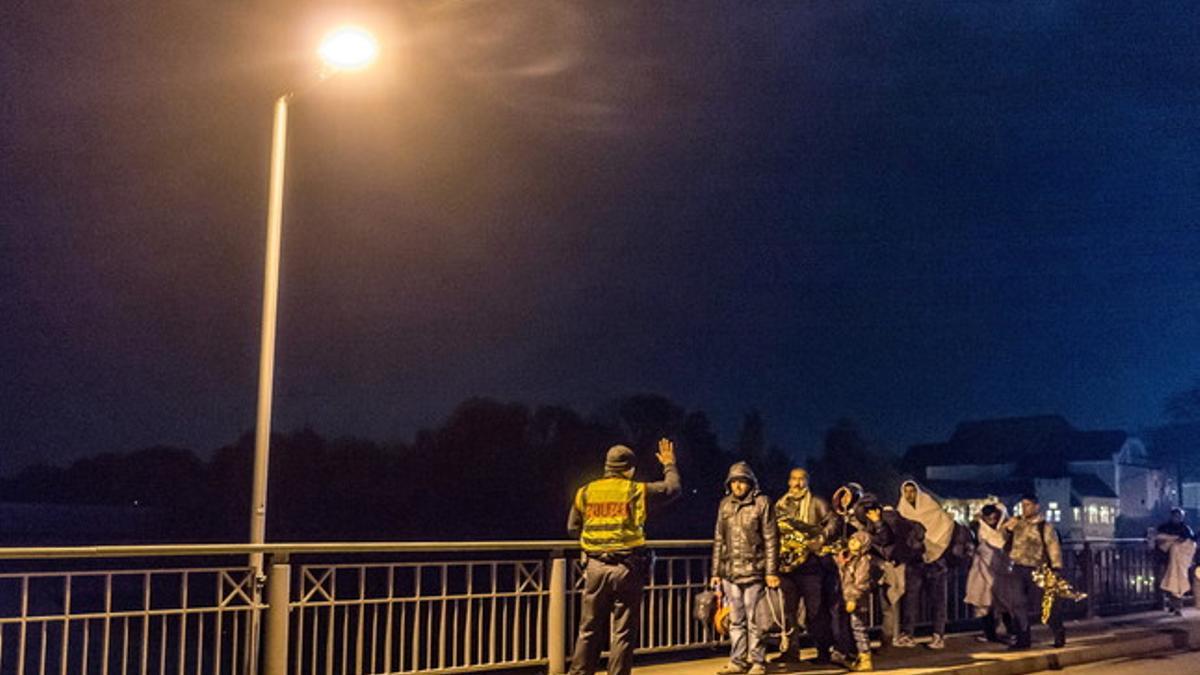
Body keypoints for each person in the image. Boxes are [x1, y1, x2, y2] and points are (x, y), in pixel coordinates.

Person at [566, 439, 681, 675]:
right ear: (629, 469)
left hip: (595, 567)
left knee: (588, 629)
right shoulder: (635, 490)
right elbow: (673, 489)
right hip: (627, 568)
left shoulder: (586, 491)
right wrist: (669, 464)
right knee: (623, 631)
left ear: (607, 467)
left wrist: (591, 544)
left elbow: (572, 527)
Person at [711, 462, 780, 675]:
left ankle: (758, 661)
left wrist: (770, 571)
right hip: (730, 572)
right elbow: (719, 539)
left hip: (754, 570)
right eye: (734, 482)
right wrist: (715, 572)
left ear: (750, 483)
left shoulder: (762, 503)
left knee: (755, 619)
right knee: (735, 619)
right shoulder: (725, 505)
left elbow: (771, 539)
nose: (738, 486)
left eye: (742, 481)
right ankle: (737, 661)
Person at [773, 467, 839, 665]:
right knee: (788, 612)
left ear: (807, 482)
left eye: (801, 479)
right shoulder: (781, 504)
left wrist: (821, 537)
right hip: (787, 567)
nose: (797, 483)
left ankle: (823, 651)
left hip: (811, 566)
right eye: (794, 479)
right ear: (788, 481)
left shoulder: (817, 503)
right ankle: (791, 651)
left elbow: (833, 522)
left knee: (815, 611)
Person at [852, 493, 925, 648]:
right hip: (881, 565)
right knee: (883, 604)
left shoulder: (886, 519)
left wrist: (878, 522)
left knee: (888, 604)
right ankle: (879, 640)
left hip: (888, 565)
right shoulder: (871, 521)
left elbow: (885, 540)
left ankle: (886, 640)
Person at [895, 481, 955, 649]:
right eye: (906, 491)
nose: (909, 495)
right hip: (915, 560)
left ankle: (938, 634)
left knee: (937, 600)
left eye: (912, 491)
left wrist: (935, 548)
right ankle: (908, 633)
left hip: (936, 561)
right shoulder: (902, 511)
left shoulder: (931, 507)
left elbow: (945, 527)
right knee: (911, 599)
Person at [1003, 493, 1065, 649]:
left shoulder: (1044, 526)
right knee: (1017, 604)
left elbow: (1053, 546)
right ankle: (1023, 638)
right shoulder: (1017, 524)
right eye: (1023, 505)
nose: (1024, 509)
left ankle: (1058, 631)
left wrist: (1056, 567)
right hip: (1018, 566)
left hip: (1038, 568)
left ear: (1036, 506)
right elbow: (1002, 540)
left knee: (1044, 604)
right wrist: (1007, 529)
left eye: (1028, 505)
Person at [966, 503, 1015, 643]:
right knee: (985, 604)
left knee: (1004, 602)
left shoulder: (1004, 530)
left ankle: (1010, 630)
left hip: (1000, 570)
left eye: (994, 518)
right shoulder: (979, 530)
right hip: (982, 571)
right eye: (989, 519)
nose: (991, 522)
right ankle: (990, 633)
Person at [836, 531, 877, 672]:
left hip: (856, 601)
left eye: (857, 541)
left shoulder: (864, 561)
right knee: (845, 628)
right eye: (851, 539)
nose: (852, 542)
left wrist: (852, 598)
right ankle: (850, 656)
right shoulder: (845, 557)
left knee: (858, 628)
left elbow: (861, 583)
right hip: (843, 598)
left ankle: (865, 657)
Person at [1152, 507, 1196, 616]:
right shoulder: (1166, 527)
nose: (1178, 518)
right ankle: (1169, 603)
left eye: (1179, 516)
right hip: (1164, 559)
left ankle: (1176, 606)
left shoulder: (1185, 529)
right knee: (1165, 582)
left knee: (1175, 582)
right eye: (1176, 516)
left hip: (1175, 561)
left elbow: (1190, 543)